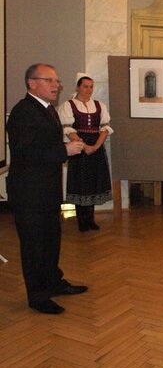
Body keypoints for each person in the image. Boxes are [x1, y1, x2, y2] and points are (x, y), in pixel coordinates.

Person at [7, 63, 87, 314]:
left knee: (51, 240)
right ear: (32, 83)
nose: (57, 85)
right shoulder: (23, 112)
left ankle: (53, 282)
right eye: (50, 80)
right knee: (34, 245)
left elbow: (42, 144)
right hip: (29, 193)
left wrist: (63, 146)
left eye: (57, 81)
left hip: (47, 190)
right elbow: (25, 152)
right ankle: (38, 297)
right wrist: (64, 150)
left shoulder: (46, 110)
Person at [57, 74, 113, 231]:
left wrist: (95, 146)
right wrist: (84, 146)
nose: (88, 90)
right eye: (85, 86)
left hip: (96, 147)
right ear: (78, 87)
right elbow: (68, 129)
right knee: (80, 182)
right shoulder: (69, 105)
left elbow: (105, 128)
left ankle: (90, 218)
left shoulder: (99, 105)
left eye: (91, 86)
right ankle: (81, 219)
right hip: (78, 147)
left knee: (94, 182)